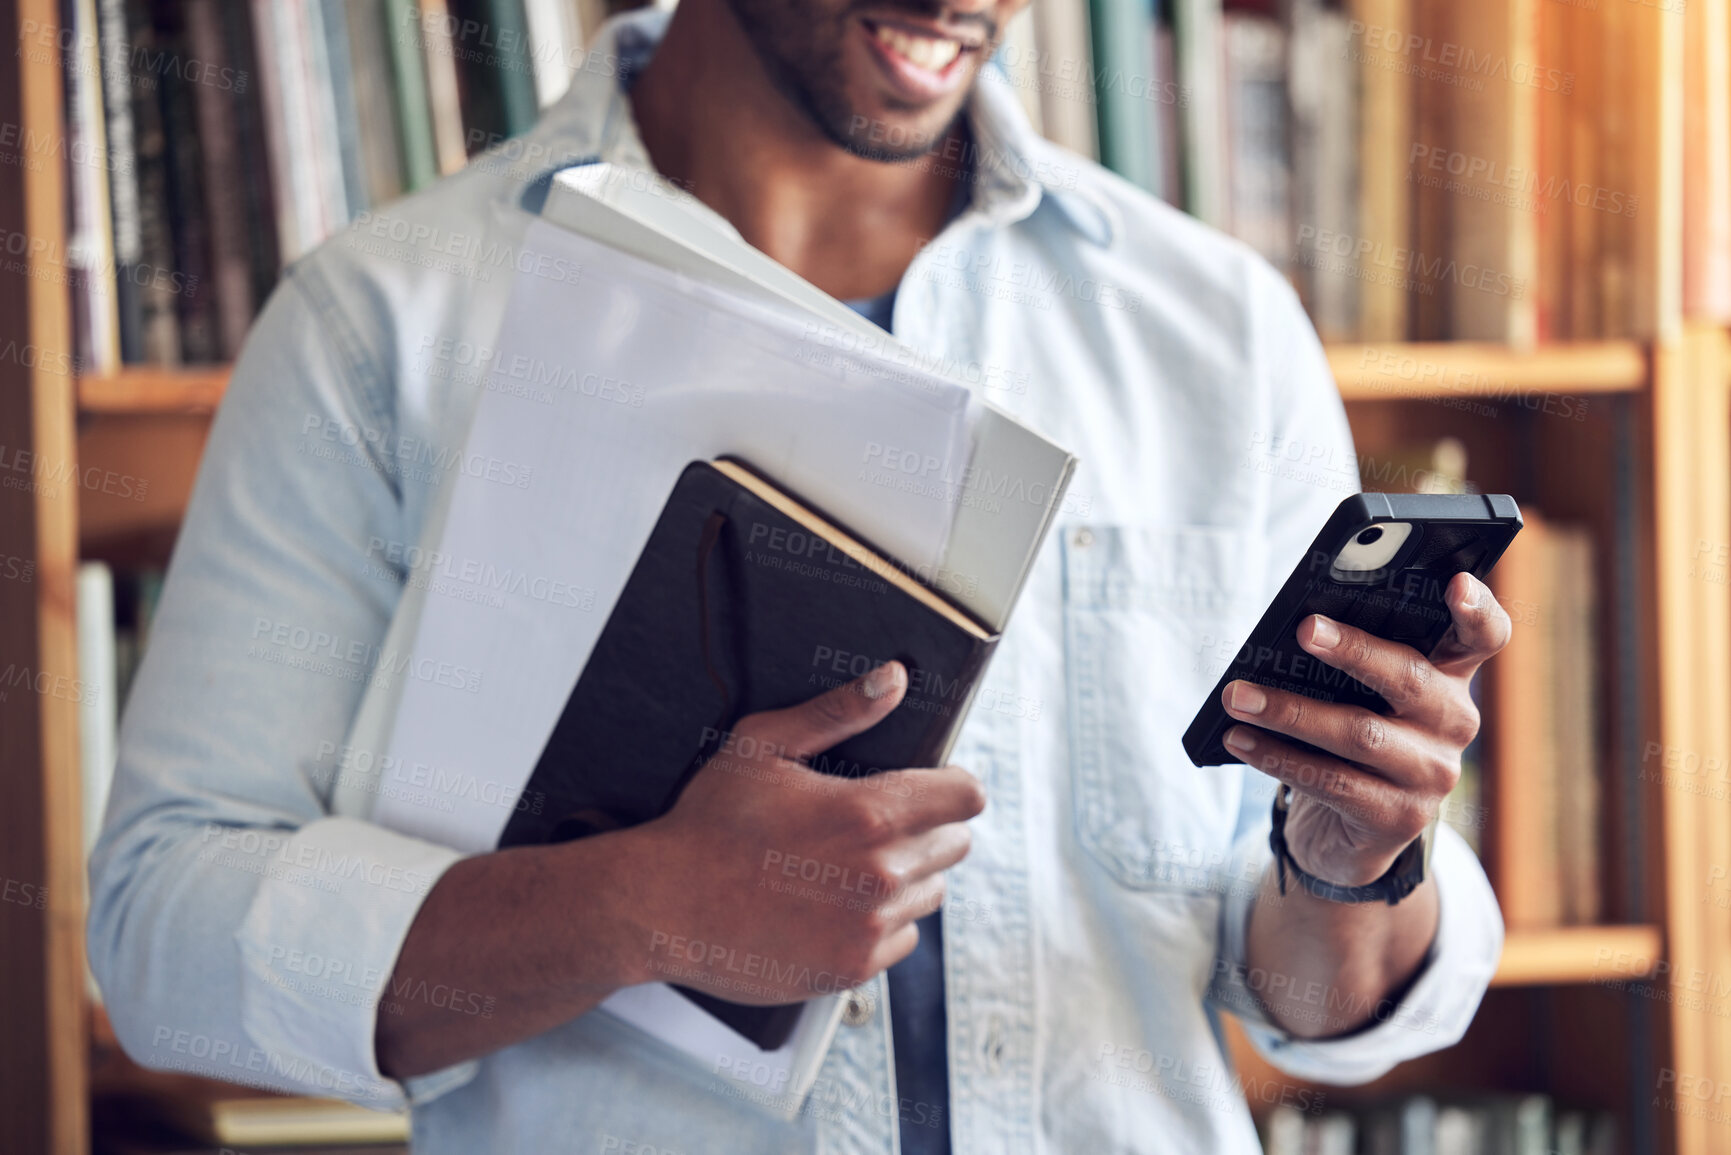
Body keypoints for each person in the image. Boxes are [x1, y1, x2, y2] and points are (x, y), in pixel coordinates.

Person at [89, 1, 1507, 1151]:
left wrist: (1350, 864)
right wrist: (642, 905)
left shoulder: (1218, 331)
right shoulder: (382, 327)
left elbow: (1316, 1007)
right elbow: (165, 937)